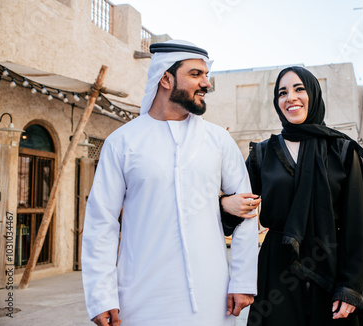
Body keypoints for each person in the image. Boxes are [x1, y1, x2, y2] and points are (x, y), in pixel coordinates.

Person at [222, 66, 363, 325]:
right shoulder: (263, 154)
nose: (291, 98)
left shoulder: (342, 150)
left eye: (299, 89)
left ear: (313, 93)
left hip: (332, 265)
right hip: (277, 267)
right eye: (282, 92)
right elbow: (238, 207)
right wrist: (225, 204)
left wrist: (351, 287)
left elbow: (357, 222)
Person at [82, 40, 260, 326]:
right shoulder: (123, 142)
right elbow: (101, 223)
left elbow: (247, 211)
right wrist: (101, 295)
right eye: (195, 74)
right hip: (140, 299)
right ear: (165, 78)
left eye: (206, 75)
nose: (206, 83)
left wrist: (242, 279)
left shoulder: (218, 141)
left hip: (213, 298)